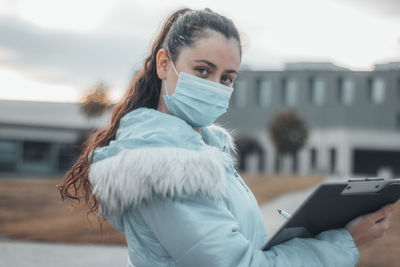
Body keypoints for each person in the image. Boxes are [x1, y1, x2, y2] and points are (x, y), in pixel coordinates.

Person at [57, 7, 396, 267]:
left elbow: (237, 245)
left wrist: (302, 232)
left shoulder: (202, 152)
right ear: (164, 64)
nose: (215, 87)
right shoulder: (163, 167)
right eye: (202, 71)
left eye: (227, 78)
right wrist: (343, 243)